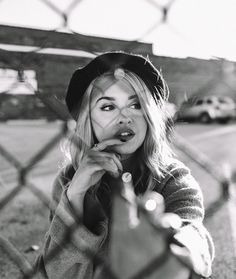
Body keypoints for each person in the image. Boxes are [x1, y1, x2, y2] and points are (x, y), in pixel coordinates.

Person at [36, 52, 214, 278]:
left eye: (135, 104)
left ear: (149, 115)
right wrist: (75, 195)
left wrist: (182, 249)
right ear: (88, 120)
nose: (124, 117)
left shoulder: (173, 178)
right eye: (108, 107)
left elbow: (192, 231)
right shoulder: (68, 179)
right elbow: (56, 272)